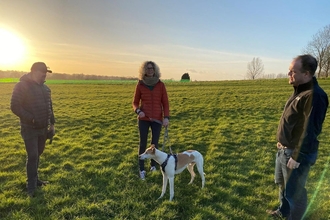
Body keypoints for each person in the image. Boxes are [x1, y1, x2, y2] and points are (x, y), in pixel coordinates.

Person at [267, 55, 328, 219]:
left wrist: (296, 156)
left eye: (293, 71)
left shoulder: (314, 96)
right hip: (284, 150)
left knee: (296, 192)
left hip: (295, 154)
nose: (288, 74)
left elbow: (310, 131)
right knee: (283, 186)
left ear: (307, 74)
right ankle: (283, 211)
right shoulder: (299, 92)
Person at [11, 62, 55, 197]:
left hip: (43, 128)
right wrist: (31, 118)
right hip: (29, 128)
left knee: (38, 154)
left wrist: (52, 124)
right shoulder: (21, 86)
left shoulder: (45, 88)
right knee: (33, 155)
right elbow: (15, 106)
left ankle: (36, 180)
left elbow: (50, 107)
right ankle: (31, 186)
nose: (45, 76)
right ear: (35, 72)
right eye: (43, 73)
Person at [132, 61, 170, 180]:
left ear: (155, 70)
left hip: (157, 119)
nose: (150, 70)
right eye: (148, 68)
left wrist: (166, 117)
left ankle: (153, 166)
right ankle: (142, 169)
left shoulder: (161, 85)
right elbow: (135, 103)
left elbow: (165, 103)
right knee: (143, 143)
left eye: (152, 68)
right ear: (144, 70)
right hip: (144, 119)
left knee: (155, 144)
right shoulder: (140, 84)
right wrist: (138, 111)